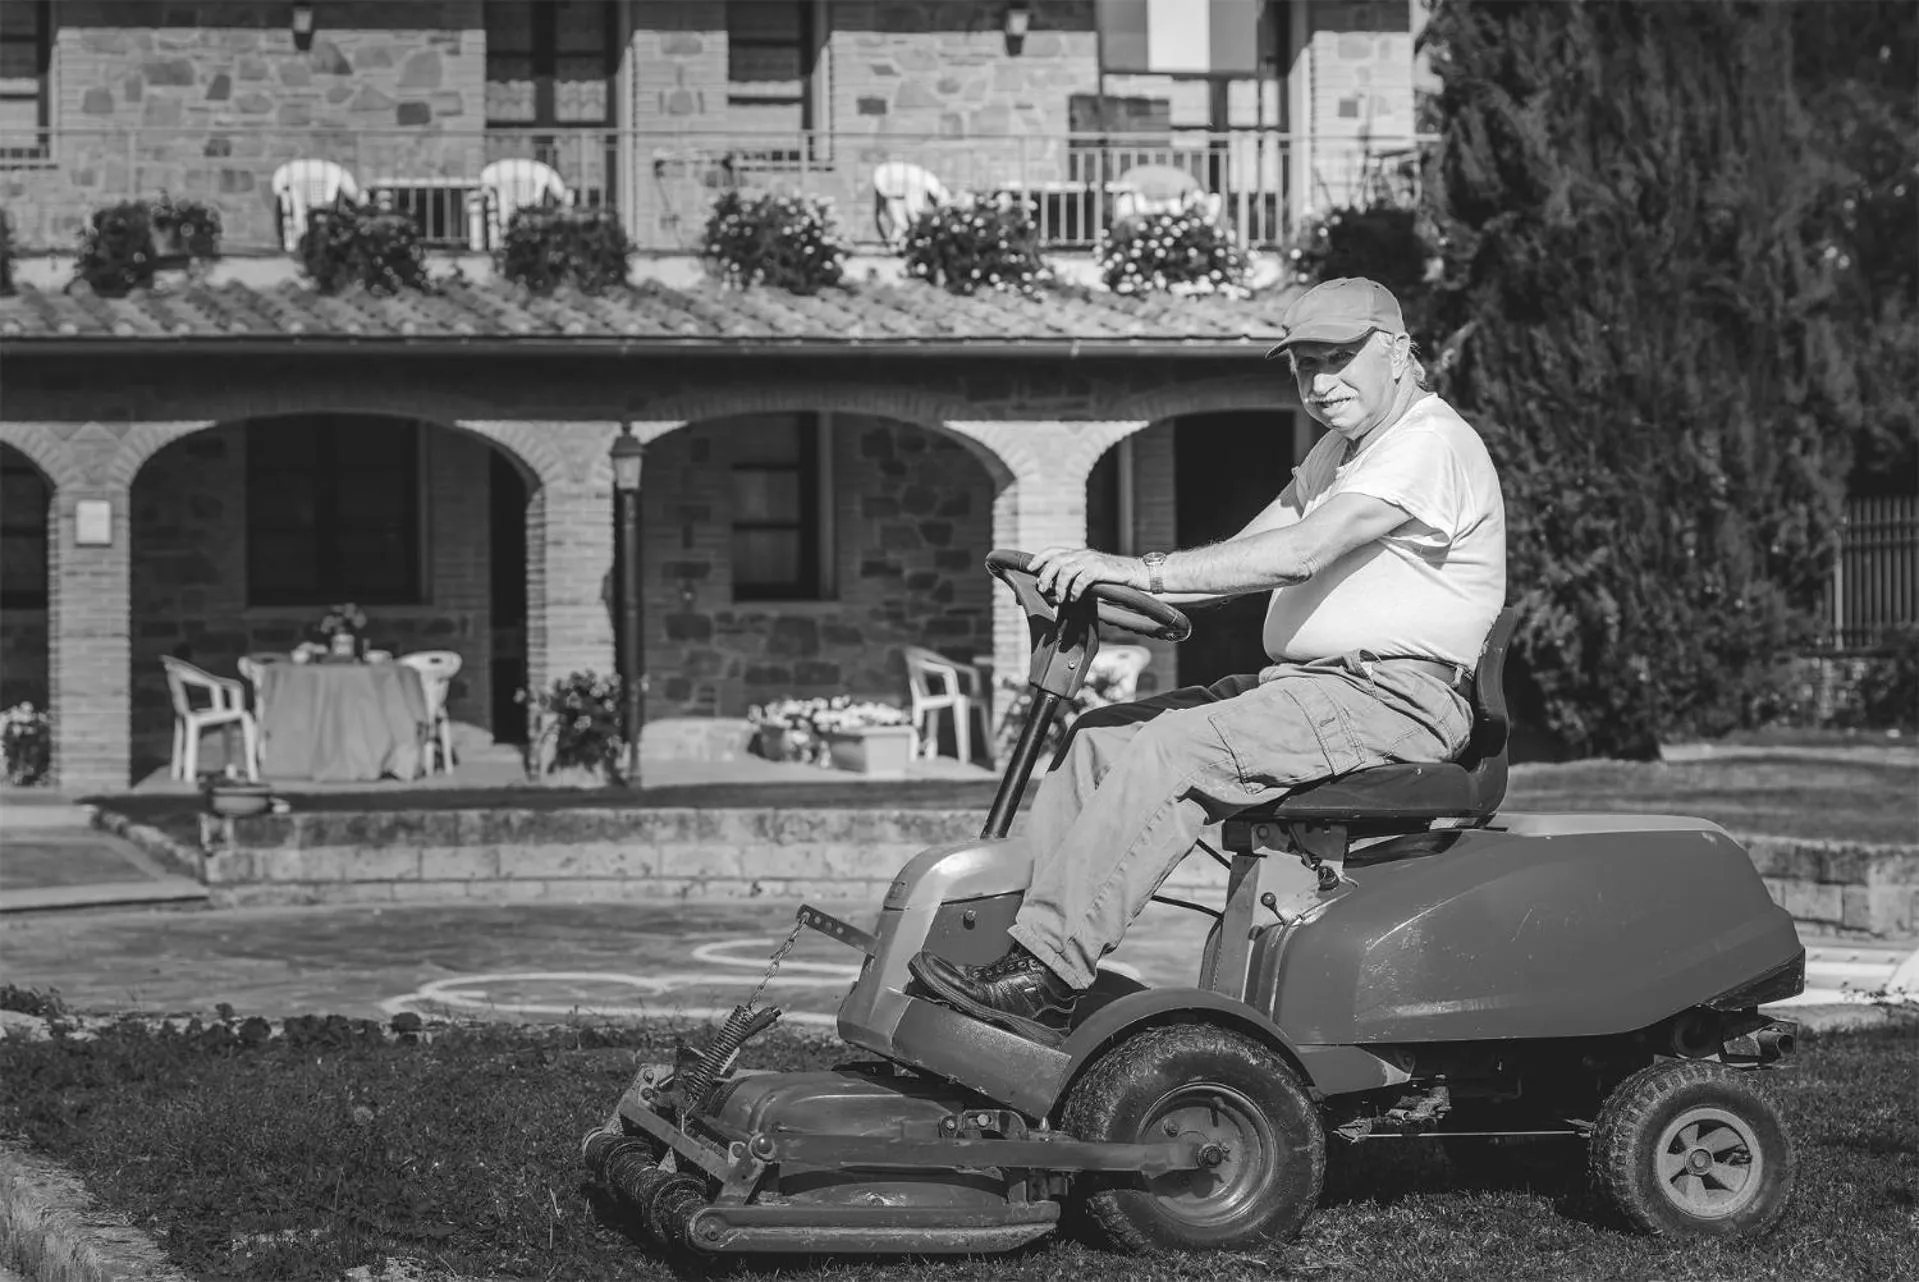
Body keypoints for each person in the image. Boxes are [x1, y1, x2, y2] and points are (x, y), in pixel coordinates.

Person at [908, 277, 1508, 1041]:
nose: (1319, 384)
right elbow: (1241, 554)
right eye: (1303, 366)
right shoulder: (1341, 451)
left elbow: (1300, 555)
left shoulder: (1427, 443)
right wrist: (1108, 585)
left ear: (1394, 353)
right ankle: (1009, 959)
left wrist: (1135, 570)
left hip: (1393, 699)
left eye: (1337, 360)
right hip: (1312, 688)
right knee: (1098, 739)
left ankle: (1047, 968)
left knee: (1175, 747)